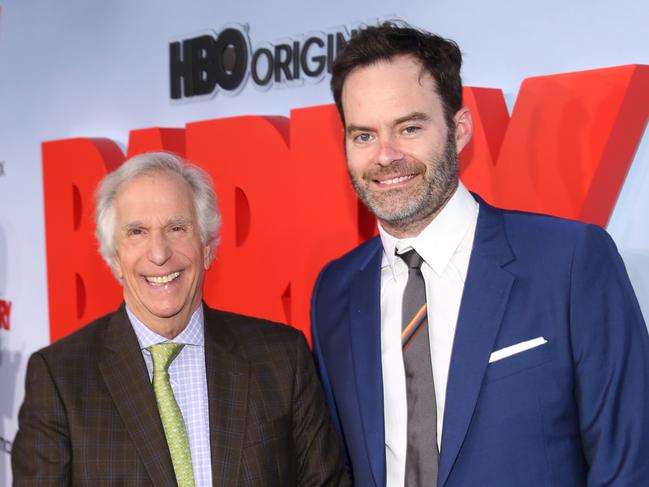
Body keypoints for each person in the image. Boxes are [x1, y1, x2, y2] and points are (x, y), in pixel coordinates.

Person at [310, 21, 649, 486]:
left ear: (460, 129)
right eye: (363, 135)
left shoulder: (569, 262)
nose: (385, 155)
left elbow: (629, 463)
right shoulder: (335, 291)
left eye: (409, 127)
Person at [13, 152, 347, 486]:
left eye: (176, 228)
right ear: (114, 259)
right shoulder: (60, 379)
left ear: (207, 248)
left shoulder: (281, 359)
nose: (159, 254)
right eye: (137, 232)